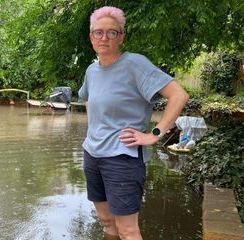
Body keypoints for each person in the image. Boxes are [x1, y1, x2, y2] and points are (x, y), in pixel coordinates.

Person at [78, 6, 189, 240]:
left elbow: (179, 95)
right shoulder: (91, 70)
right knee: (107, 224)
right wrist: (95, 131)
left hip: (122, 158)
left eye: (112, 32)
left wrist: (155, 134)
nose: (104, 38)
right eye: (98, 32)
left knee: (128, 231)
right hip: (92, 155)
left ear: (121, 37)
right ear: (91, 37)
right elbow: (87, 99)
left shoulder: (134, 64)